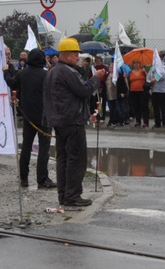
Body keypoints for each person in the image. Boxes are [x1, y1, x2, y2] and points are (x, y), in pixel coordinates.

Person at [42, 38, 104, 207]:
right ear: (67, 55)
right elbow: (84, 91)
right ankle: (72, 196)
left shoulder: (53, 71)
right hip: (72, 120)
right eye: (76, 54)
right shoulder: (67, 72)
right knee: (76, 160)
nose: (78, 57)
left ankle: (63, 195)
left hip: (59, 121)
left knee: (63, 159)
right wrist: (96, 79)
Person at [4, 48, 56, 189]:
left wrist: (6, 71)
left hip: (28, 116)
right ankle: (42, 178)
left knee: (26, 147)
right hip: (44, 116)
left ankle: (23, 178)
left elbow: (11, 83)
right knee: (43, 149)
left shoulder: (22, 73)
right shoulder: (46, 75)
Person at [148, 56, 165, 128]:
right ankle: (157, 123)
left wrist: (154, 79)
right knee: (155, 107)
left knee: (163, 106)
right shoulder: (152, 68)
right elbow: (148, 77)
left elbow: (162, 77)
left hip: (163, 90)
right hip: (155, 90)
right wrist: (150, 81)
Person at [128, 60, 148, 128]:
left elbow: (148, 79)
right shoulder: (130, 72)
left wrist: (145, 72)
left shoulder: (143, 71)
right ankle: (138, 121)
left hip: (142, 91)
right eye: (135, 63)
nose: (136, 65)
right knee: (136, 107)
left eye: (138, 63)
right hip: (133, 91)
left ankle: (145, 122)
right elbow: (128, 81)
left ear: (140, 64)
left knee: (144, 107)